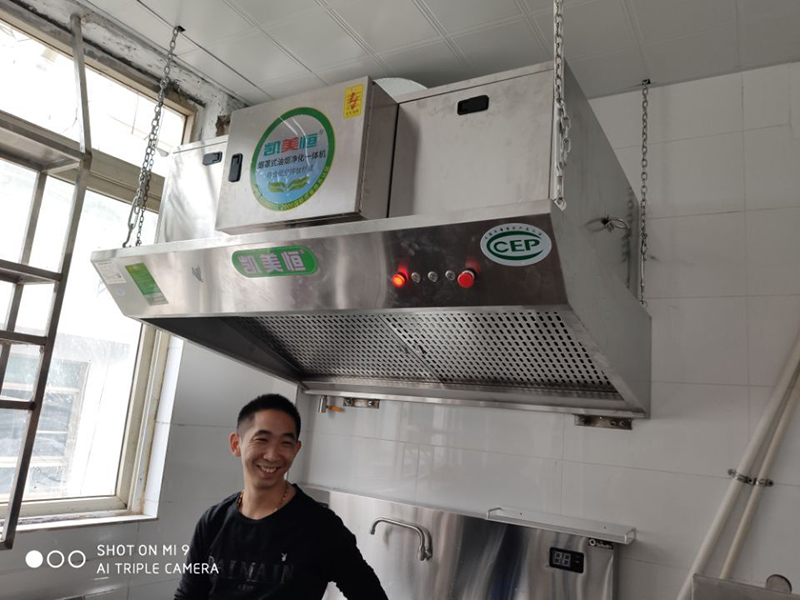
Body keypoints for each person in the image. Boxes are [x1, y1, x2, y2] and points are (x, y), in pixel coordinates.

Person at [174, 394, 388, 599]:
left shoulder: (320, 527)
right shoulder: (213, 521)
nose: (272, 455)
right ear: (236, 444)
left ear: (296, 449)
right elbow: (189, 596)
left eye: (285, 443)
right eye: (261, 439)